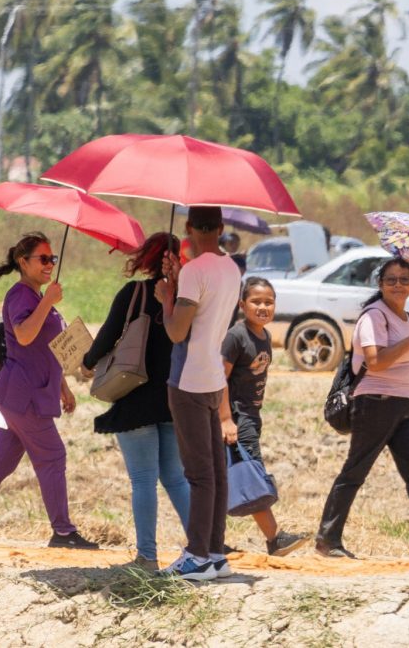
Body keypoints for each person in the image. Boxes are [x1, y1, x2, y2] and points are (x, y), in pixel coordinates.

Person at [0, 232, 98, 550]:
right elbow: (25, 335)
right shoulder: (22, 295)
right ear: (23, 262)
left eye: (52, 259)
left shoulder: (35, 296)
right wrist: (48, 301)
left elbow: (44, 348)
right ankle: (63, 532)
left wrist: (63, 387)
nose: (49, 265)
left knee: (1, 461)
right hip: (24, 396)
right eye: (43, 259)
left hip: (21, 394)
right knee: (53, 456)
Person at [315, 257, 409, 560]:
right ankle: (327, 539)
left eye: (405, 279)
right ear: (380, 284)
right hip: (375, 403)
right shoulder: (374, 316)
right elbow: (375, 362)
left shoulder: (408, 318)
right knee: (355, 471)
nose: (399, 285)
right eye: (391, 280)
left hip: (405, 405)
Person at [82, 232, 191, 571]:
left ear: (146, 258)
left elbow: (107, 336)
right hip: (174, 398)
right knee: (176, 478)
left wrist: (87, 363)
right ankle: (204, 547)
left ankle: (147, 556)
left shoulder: (135, 294)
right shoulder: (186, 300)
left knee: (143, 479)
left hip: (135, 396)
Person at [160, 206, 242, 581]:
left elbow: (177, 331)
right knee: (216, 473)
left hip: (189, 381)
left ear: (188, 228)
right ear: (222, 229)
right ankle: (215, 552)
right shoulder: (232, 268)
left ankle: (196, 556)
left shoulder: (194, 270)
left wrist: (166, 296)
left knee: (199, 474)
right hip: (212, 378)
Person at [220, 277, 306, 557]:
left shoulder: (265, 336)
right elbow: (219, 378)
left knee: (227, 478)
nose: (263, 307)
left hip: (251, 417)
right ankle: (274, 539)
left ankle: (210, 540)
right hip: (236, 419)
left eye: (268, 302)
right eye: (256, 301)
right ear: (242, 304)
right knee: (251, 475)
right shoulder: (236, 336)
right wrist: (225, 419)